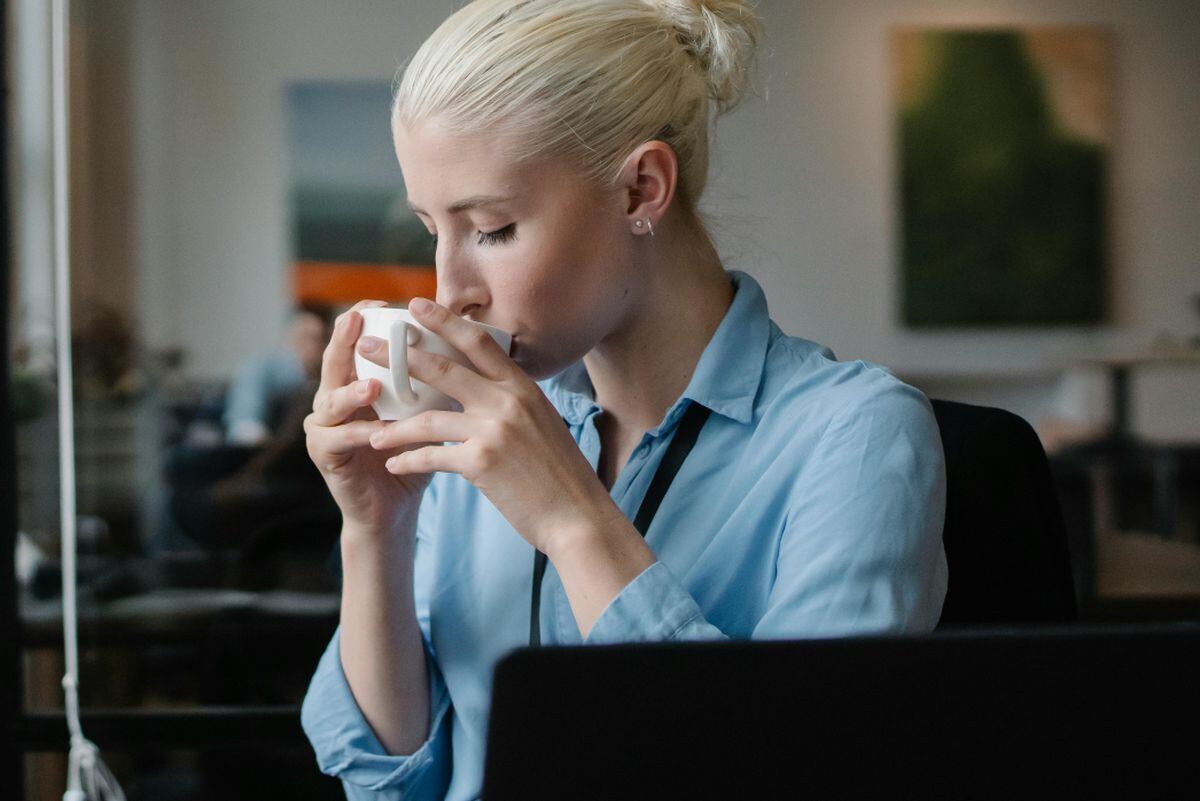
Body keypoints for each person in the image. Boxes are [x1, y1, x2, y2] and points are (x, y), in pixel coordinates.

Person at [300, 2, 948, 799]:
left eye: (493, 229)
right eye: (434, 229)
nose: (448, 292)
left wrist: (574, 521)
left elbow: (793, 769)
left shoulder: (856, 435)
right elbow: (391, 780)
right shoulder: (471, 436)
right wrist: (376, 530)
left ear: (643, 188)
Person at [223, 303, 332, 445]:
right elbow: (247, 426)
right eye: (302, 336)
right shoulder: (262, 367)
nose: (307, 345)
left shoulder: (327, 375)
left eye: (315, 338)